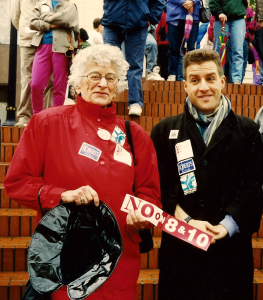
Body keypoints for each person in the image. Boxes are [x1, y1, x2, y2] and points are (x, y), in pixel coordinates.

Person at [4, 44, 161, 300]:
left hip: (118, 260)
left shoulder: (136, 136)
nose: (102, 83)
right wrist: (61, 195)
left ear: (118, 85)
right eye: (94, 76)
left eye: (110, 77)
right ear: (77, 83)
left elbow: (150, 193)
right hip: (66, 258)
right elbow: (18, 183)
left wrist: (143, 213)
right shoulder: (46, 124)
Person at [151, 49, 263, 300]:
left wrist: (225, 226)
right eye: (195, 80)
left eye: (210, 78)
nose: (203, 87)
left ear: (222, 82)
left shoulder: (248, 130)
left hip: (230, 253)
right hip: (180, 253)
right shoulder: (163, 130)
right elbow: (160, 188)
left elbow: (253, 189)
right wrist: (187, 223)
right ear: (185, 85)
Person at [102, 0, 164, 116]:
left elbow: (159, 1)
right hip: (112, 20)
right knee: (108, 63)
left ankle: (135, 102)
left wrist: (151, 18)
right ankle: (105, 99)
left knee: (134, 65)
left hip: (137, 23)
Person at [29, 0, 79, 114]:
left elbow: (66, 20)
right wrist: (52, 24)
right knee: (35, 84)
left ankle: (56, 116)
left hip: (63, 48)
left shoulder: (70, 6)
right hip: (42, 46)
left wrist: (44, 17)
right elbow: (32, 22)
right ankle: (37, 115)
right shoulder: (41, 4)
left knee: (59, 86)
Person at [11, 0, 53, 127]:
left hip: (48, 39)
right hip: (28, 40)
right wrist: (28, 31)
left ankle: (47, 116)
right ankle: (25, 116)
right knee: (27, 79)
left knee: (49, 80)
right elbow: (15, 17)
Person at [210, 0, 247, 84]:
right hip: (220, 19)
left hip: (238, 19)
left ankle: (236, 80)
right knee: (218, 51)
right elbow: (212, 2)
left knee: (238, 50)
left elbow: (245, 3)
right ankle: (217, 77)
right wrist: (219, 12)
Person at [166, 0, 201, 82]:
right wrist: (184, 2)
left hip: (193, 15)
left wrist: (193, 2)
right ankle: (172, 73)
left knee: (190, 48)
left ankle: (188, 74)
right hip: (174, 16)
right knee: (173, 47)